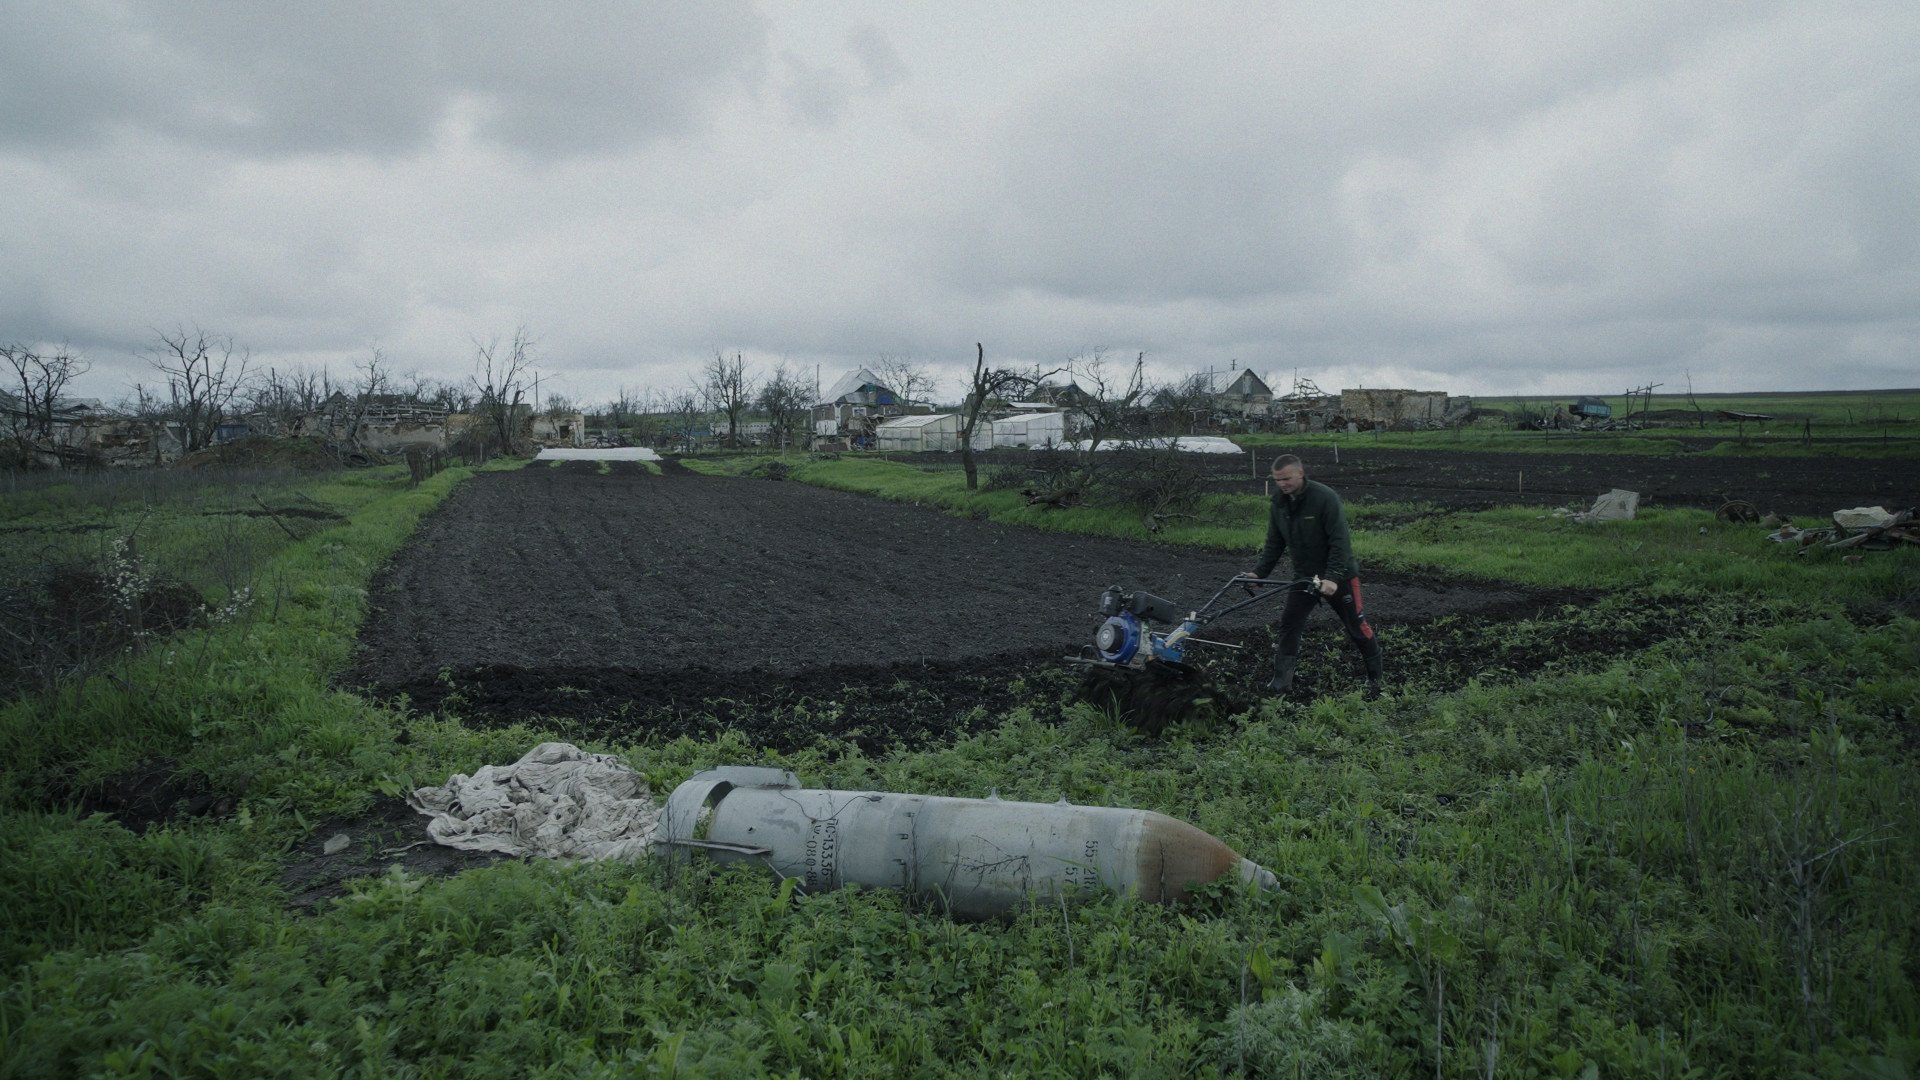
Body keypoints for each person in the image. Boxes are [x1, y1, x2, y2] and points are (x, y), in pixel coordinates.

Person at [1240, 454, 1383, 695]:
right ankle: (1281, 683)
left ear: (1300, 473)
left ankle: (1376, 680)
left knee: (1357, 626)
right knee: (1289, 624)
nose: (1282, 484)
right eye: (1278, 480)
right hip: (1305, 577)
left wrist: (1333, 577)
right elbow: (1274, 543)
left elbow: (1340, 541)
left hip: (1340, 576)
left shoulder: (1324, 498)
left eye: (1286, 478)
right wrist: (1258, 574)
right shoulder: (1279, 503)